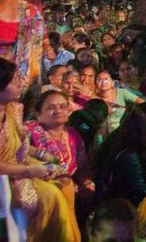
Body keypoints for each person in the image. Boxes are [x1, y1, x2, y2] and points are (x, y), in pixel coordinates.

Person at [0, 57, 79, 241]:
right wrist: (30, 170)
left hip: (3, 173)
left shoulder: (8, 108)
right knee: (51, 196)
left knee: (65, 183)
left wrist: (44, 155)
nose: (21, 83)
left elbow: (18, 146)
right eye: (14, 80)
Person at [26, 89, 94, 227]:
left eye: (63, 106)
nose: (58, 111)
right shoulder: (29, 131)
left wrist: (86, 182)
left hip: (69, 195)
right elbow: (14, 152)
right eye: (51, 108)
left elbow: (82, 168)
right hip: (39, 196)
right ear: (38, 114)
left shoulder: (73, 135)